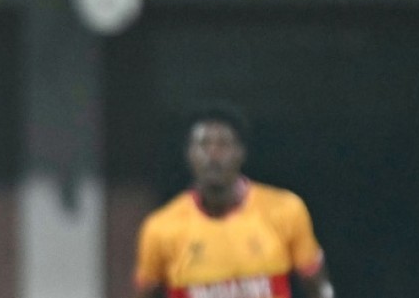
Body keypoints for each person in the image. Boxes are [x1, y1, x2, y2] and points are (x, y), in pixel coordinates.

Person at [133, 104, 335, 298]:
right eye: (204, 144)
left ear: (241, 152)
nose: (213, 155)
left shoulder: (285, 210)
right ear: (189, 154)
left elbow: (317, 286)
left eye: (223, 144)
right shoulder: (161, 227)